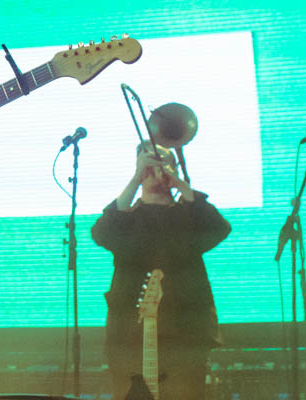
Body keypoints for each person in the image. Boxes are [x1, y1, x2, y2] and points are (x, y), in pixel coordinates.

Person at [91, 142, 230, 400]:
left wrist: (180, 185)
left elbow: (219, 228)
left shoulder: (189, 215)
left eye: (164, 161)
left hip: (186, 333)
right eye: (149, 162)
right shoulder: (128, 217)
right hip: (129, 335)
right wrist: (136, 178)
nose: (157, 168)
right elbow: (100, 233)